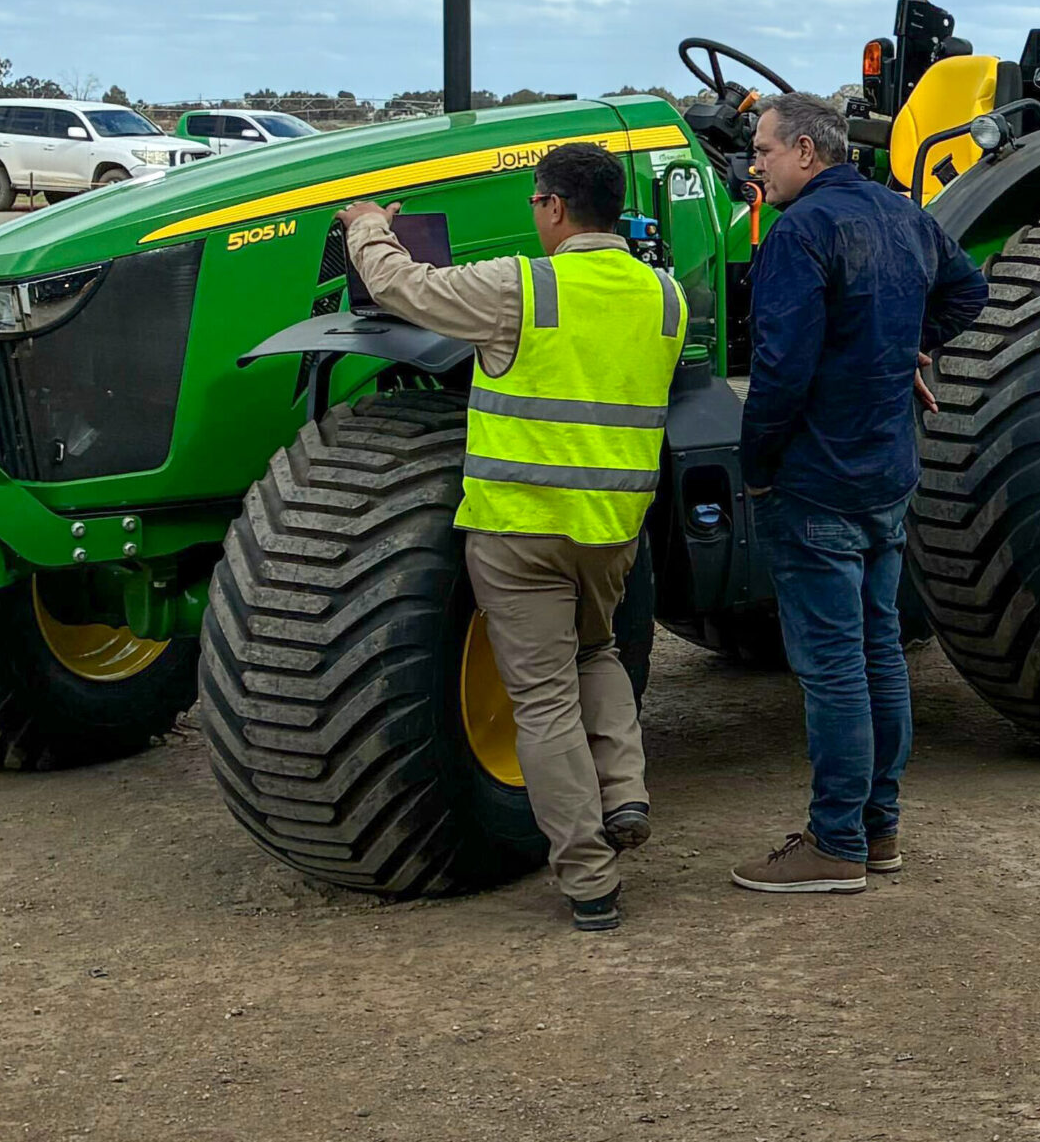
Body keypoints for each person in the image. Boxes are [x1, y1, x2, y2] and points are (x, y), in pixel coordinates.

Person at [338, 141, 685, 931]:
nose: (534, 216)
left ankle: (589, 878)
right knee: (597, 652)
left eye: (535, 203)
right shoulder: (665, 297)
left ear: (555, 207)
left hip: (518, 529)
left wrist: (366, 228)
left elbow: (405, 288)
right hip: (609, 531)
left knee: (542, 698)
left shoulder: (520, 287)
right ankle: (624, 791)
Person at [728, 91, 989, 895]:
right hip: (884, 475)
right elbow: (967, 292)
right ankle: (880, 831)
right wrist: (904, 348)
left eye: (765, 151)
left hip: (817, 481)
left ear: (808, 151)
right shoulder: (905, 216)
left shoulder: (800, 232)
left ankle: (835, 840)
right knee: (878, 651)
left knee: (835, 664)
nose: (755, 166)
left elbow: (780, 369)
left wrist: (757, 461)